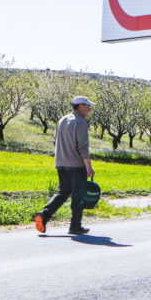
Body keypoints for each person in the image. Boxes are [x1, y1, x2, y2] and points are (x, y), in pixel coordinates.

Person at [34, 96, 95, 236]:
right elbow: (83, 147)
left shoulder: (62, 120)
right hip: (76, 165)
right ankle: (75, 226)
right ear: (80, 106)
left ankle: (44, 215)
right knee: (78, 196)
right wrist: (89, 167)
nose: (89, 109)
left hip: (61, 164)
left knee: (62, 192)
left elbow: (54, 142)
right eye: (88, 106)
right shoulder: (80, 122)